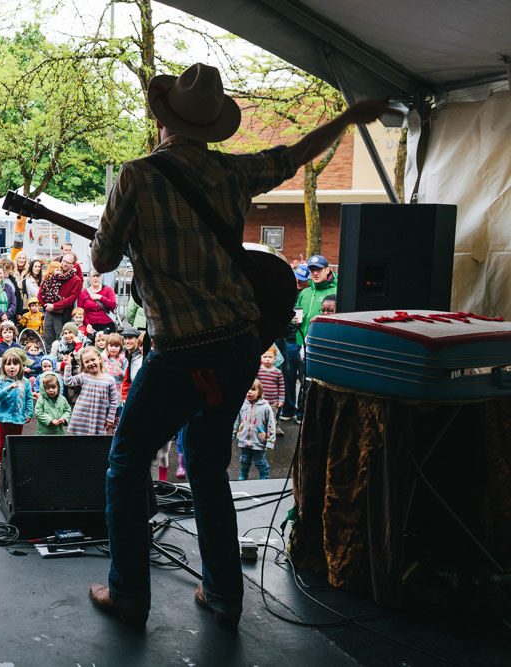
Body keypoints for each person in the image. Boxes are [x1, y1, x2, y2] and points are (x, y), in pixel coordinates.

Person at [86, 61, 392, 629]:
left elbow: (102, 259)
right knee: (204, 464)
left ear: (164, 121)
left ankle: (128, 593)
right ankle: (224, 594)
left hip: (180, 350)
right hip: (238, 345)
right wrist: (351, 114)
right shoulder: (232, 173)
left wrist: (136, 244)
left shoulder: (136, 176)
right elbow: (297, 152)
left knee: (126, 463)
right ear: (209, 127)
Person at [293, 255, 338, 422]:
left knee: (319, 382)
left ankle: (319, 417)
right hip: (302, 343)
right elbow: (295, 313)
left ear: (327, 269)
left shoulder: (336, 290)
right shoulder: (305, 292)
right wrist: (294, 320)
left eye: (318, 270)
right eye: (312, 270)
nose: (314, 273)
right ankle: (301, 415)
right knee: (303, 381)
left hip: (324, 344)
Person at [0, 349, 34, 479]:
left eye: (15, 364)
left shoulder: (25, 382)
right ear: (3, 366)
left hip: (18, 417)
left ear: (20, 366)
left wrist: (29, 412)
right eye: (8, 364)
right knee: (2, 442)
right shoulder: (0, 380)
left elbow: (28, 398)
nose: (12, 367)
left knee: (15, 441)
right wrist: (8, 388)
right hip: (3, 417)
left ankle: (13, 464)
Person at [62, 346, 119, 436]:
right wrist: (68, 365)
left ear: (99, 359)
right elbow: (68, 381)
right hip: (81, 417)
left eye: (93, 359)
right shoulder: (84, 376)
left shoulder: (109, 380)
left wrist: (110, 419)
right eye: (87, 362)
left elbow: (114, 401)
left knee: (94, 445)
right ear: (83, 364)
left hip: (98, 418)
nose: (91, 363)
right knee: (79, 444)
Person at [279, 264, 311, 422]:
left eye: (302, 280)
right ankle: (288, 408)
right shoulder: (288, 290)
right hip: (289, 339)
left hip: (301, 339)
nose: (298, 282)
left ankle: (301, 411)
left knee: (303, 376)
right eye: (297, 279)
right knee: (288, 376)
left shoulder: (308, 294)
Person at [234, 379, 276, 480]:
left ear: (259, 393)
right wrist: (233, 434)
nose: (249, 392)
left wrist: (270, 441)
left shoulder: (266, 407)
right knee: (244, 460)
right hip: (244, 440)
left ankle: (264, 477)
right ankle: (243, 475)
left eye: (253, 389)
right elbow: (236, 421)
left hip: (259, 441)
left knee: (260, 462)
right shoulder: (242, 405)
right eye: (247, 389)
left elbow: (271, 424)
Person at [39, 252, 82, 350]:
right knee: (47, 338)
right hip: (49, 312)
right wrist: (46, 305)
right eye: (64, 261)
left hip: (63, 314)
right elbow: (40, 293)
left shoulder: (76, 280)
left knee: (61, 340)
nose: (64, 264)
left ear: (73, 265)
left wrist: (55, 306)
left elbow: (71, 299)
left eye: (68, 262)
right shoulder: (54, 275)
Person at [77, 270, 118, 335]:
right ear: (89, 278)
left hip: (107, 324)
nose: (96, 279)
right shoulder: (83, 293)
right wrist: (87, 324)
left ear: (101, 277)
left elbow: (113, 305)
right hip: (91, 326)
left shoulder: (108, 290)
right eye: (93, 276)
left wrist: (100, 298)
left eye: (98, 276)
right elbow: (80, 311)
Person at [257, 346, 284, 425]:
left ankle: (271, 435)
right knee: (260, 419)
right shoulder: (259, 371)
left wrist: (281, 400)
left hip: (273, 402)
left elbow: (281, 387)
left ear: (275, 359)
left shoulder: (278, 372)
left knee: (272, 420)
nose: (267, 359)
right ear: (261, 358)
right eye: (265, 357)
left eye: (270, 357)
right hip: (260, 401)